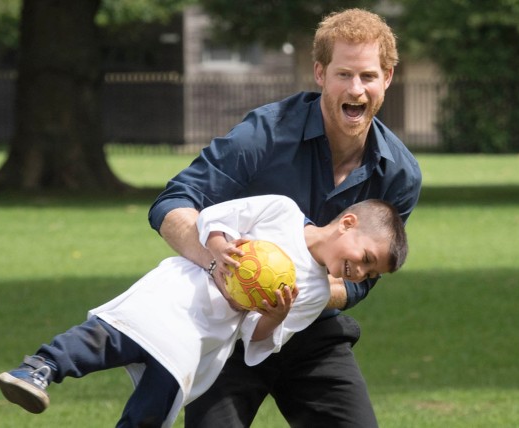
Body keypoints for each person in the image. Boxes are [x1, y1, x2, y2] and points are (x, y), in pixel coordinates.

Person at [150, 8, 423, 427]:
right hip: (229, 327)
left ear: (387, 77)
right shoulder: (265, 133)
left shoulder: (399, 175)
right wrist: (220, 266)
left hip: (312, 331)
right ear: (319, 73)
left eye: (368, 76)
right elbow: (172, 203)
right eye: (343, 74)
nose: (357, 88)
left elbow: (363, 277)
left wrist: (294, 292)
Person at [0, 195, 408, 428]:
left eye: (372, 272)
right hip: (175, 295)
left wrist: (274, 317)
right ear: (347, 223)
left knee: (159, 400)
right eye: (366, 257)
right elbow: (216, 216)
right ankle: (38, 369)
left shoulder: (315, 293)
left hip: (202, 337)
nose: (361, 272)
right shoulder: (282, 211)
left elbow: (256, 342)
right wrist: (217, 247)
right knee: (108, 337)